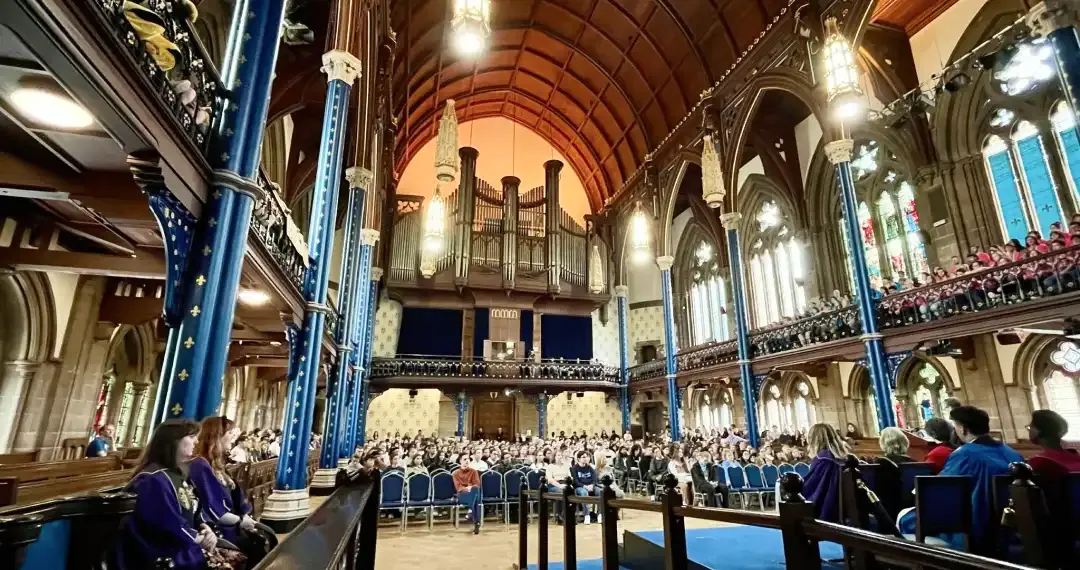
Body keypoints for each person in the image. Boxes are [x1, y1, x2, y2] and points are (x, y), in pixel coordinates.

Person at [113, 420, 244, 570]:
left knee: (239, 555)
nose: (196, 442)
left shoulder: (177, 473)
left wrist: (205, 527)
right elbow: (168, 523)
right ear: (174, 441)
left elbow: (194, 507)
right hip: (164, 554)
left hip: (184, 546)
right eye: (191, 437)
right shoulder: (153, 479)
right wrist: (199, 538)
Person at [899, 406, 1022, 550]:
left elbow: (939, 491)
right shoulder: (1012, 453)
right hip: (1010, 530)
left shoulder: (965, 455)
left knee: (904, 519)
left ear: (962, 429)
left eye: (955, 426)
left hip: (975, 529)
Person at [189, 416, 270, 566]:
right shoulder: (200, 465)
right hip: (220, 530)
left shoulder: (218, 465)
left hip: (232, 525)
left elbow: (236, 499)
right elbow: (214, 510)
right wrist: (241, 521)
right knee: (255, 547)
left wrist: (246, 519)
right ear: (217, 436)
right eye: (230, 432)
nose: (234, 436)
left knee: (263, 541)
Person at [801, 423, 849, 523]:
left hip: (830, 510)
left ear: (813, 440)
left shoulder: (823, 459)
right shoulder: (844, 458)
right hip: (846, 507)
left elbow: (811, 487)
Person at [1026, 409, 1080, 482]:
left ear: (1037, 431)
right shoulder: (1076, 456)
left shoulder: (1039, 462)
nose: (1029, 431)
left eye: (1030, 427)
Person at [874, 427, 915, 519]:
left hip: (889, 513)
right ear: (905, 442)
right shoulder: (917, 464)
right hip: (912, 511)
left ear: (883, 443)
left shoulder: (880, 465)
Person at [452, 453, 482, 534]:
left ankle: (471, 511)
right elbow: (458, 487)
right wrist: (467, 489)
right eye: (464, 459)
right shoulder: (455, 473)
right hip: (462, 494)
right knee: (475, 500)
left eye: (468, 459)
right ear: (460, 461)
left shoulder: (474, 471)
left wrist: (471, 488)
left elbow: (477, 484)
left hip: (473, 492)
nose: (467, 461)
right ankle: (476, 522)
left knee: (475, 490)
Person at [571, 451, 600, 524]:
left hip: (590, 486)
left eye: (587, 457)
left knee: (600, 491)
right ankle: (587, 515)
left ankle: (600, 514)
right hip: (579, 487)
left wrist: (592, 485)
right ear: (578, 459)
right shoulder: (574, 468)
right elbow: (575, 481)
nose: (586, 458)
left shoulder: (590, 468)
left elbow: (594, 479)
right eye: (583, 457)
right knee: (584, 492)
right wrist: (585, 486)